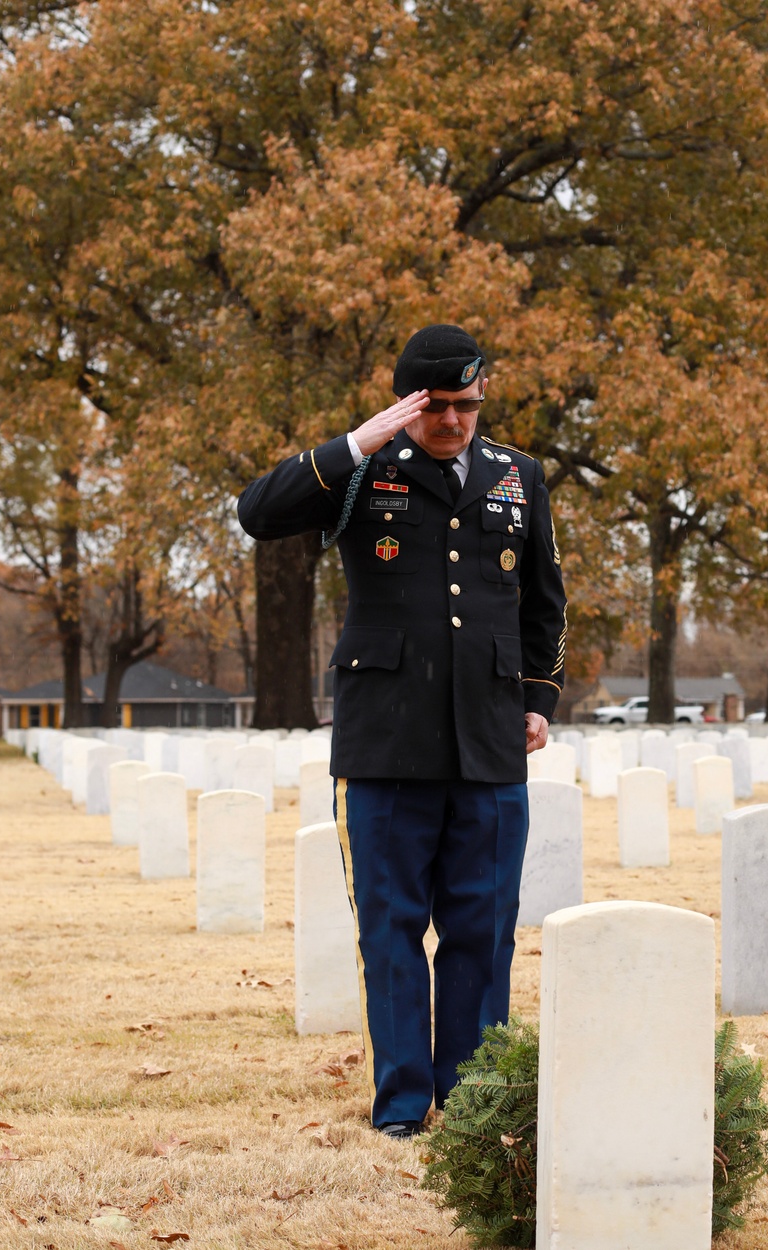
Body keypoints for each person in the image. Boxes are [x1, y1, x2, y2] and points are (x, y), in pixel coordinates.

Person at [237, 324, 567, 1139]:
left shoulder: (518, 477)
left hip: (489, 743)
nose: (455, 422)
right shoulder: (361, 471)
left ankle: (475, 1105)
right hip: (384, 742)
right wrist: (358, 441)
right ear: (408, 403)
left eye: (468, 406)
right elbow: (257, 513)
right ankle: (402, 1108)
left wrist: (539, 699)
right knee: (389, 934)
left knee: (483, 930)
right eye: (438, 407)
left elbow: (543, 601)